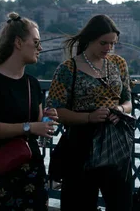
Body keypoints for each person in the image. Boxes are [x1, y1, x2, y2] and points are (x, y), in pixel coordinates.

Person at [0, 12, 58, 211]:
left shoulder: (32, 84)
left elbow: (35, 125)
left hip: (30, 170)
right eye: (35, 42)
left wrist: (45, 120)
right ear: (18, 43)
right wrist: (30, 126)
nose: (40, 48)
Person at [47, 14, 133, 211]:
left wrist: (119, 109)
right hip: (81, 142)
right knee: (79, 201)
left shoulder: (119, 64)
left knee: (121, 202)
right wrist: (88, 117)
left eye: (113, 44)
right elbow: (55, 110)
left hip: (115, 140)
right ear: (90, 39)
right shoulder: (68, 69)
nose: (108, 48)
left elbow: (128, 101)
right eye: (104, 43)